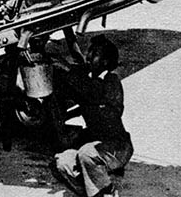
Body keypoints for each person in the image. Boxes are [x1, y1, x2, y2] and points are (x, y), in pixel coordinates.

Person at [52, 35, 134, 197]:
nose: (88, 56)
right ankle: (99, 192)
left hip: (117, 147)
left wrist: (68, 70)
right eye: (89, 52)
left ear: (105, 61)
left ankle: (103, 191)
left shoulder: (111, 82)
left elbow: (92, 94)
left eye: (94, 53)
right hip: (96, 145)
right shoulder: (89, 81)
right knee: (61, 163)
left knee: (87, 153)